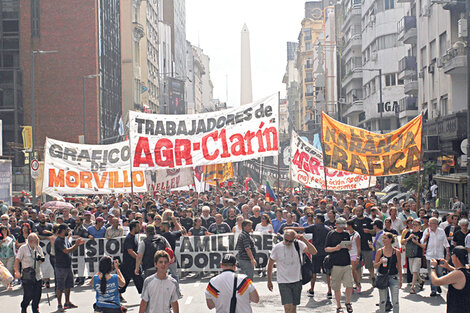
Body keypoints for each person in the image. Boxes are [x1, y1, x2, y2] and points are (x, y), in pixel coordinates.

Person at [267, 230, 317, 313]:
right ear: (284, 238)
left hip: (297, 280)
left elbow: (314, 252)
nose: (288, 243)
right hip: (283, 281)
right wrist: (269, 281)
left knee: (294, 308)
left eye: (290, 241)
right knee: (288, 308)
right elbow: (270, 264)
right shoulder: (277, 247)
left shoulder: (298, 244)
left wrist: (304, 240)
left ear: (294, 239)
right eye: (286, 240)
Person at [324, 217, 354, 313]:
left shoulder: (346, 234)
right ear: (336, 225)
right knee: (337, 286)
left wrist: (349, 247)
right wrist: (335, 248)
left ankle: (348, 302)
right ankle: (338, 305)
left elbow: (349, 247)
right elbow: (326, 248)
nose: (342, 228)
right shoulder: (331, 234)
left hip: (346, 262)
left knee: (349, 284)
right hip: (335, 263)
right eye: (340, 226)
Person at [429, 246, 470, 313]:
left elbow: (435, 282)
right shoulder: (467, 269)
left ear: (455, 257)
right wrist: (448, 267)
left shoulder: (457, 274)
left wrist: (433, 267)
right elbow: (462, 272)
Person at [54, 223, 85, 312]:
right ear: (63, 230)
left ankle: (67, 302)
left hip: (67, 265)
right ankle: (59, 304)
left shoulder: (65, 239)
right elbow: (66, 251)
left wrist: (76, 244)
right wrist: (76, 245)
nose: (68, 231)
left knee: (68, 284)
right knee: (60, 286)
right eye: (67, 230)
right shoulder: (59, 241)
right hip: (60, 266)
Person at [14, 233, 45, 313]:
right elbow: (17, 260)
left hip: (37, 275)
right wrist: (16, 271)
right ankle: (24, 307)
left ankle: (35, 309)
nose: (37, 242)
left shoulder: (39, 248)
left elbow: (42, 258)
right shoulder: (23, 248)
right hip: (27, 275)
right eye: (36, 241)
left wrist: (40, 259)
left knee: (37, 295)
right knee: (29, 295)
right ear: (31, 241)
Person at [374, 232, 403, 313]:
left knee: (395, 301)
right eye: (383, 238)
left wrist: (400, 279)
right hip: (382, 276)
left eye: (385, 238)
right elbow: (375, 265)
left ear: (390, 240)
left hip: (393, 276)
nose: (383, 240)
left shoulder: (396, 252)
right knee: (383, 301)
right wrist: (380, 262)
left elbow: (399, 266)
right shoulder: (380, 251)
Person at [421, 217, 450, 297]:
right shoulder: (426, 231)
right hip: (430, 256)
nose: (430, 225)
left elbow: (445, 242)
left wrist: (447, 252)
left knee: (440, 272)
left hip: (439, 255)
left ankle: (438, 285)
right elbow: (422, 241)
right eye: (429, 223)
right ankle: (433, 289)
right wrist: (426, 236)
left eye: (431, 223)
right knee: (431, 273)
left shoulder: (441, 231)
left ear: (436, 224)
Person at [352, 206, 375, 285]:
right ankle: (357, 283)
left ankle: (373, 278)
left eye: (359, 211)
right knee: (357, 266)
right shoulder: (354, 221)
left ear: (363, 211)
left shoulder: (368, 220)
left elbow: (374, 231)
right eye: (356, 211)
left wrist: (369, 231)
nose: (358, 212)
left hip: (366, 246)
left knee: (369, 264)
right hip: (357, 247)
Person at [120, 220, 144, 297]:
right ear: (133, 228)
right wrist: (139, 259)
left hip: (132, 264)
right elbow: (130, 251)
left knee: (138, 281)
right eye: (138, 226)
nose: (140, 228)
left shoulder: (134, 237)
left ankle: (145, 296)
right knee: (125, 282)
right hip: (129, 264)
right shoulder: (129, 238)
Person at [403, 219, 425, 294]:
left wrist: (416, 242)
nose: (414, 226)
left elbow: (423, 246)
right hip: (410, 254)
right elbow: (402, 242)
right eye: (413, 225)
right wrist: (408, 238)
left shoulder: (422, 234)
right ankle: (421, 281)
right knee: (412, 271)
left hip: (418, 254)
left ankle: (412, 287)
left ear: (419, 227)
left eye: (416, 225)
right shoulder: (408, 232)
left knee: (415, 270)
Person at [346, 220, 361, 293]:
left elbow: (358, 247)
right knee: (348, 271)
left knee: (352, 270)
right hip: (347, 254)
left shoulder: (356, 234)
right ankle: (350, 286)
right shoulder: (346, 233)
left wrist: (358, 256)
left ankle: (357, 284)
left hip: (354, 254)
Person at [0, 225, 15, 290]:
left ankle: (11, 283)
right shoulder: (0, 238)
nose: (4, 231)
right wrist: (1, 242)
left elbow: (15, 244)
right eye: (2, 230)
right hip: (2, 256)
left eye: (5, 229)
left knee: (10, 268)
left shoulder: (11, 237)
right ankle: (7, 284)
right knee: (4, 271)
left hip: (10, 255)